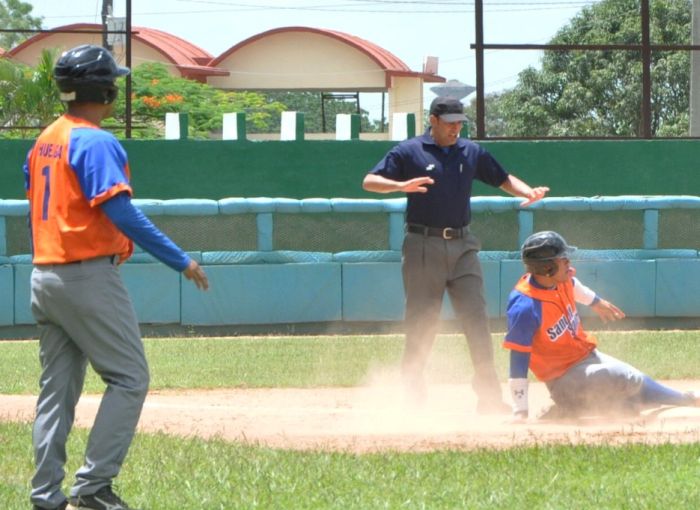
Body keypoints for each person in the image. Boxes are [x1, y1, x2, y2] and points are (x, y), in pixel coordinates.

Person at [25, 45, 209, 510]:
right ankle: (92, 489)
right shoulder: (94, 140)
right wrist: (180, 259)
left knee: (56, 392)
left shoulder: (46, 137)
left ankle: (46, 496)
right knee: (130, 378)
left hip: (45, 278)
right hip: (85, 280)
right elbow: (120, 211)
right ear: (104, 90)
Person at [362, 96, 549, 413]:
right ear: (432, 120)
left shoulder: (470, 151)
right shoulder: (410, 151)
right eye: (449, 123)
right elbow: (369, 181)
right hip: (423, 244)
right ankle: (412, 396)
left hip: (463, 246)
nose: (456, 128)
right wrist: (400, 185)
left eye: (460, 122)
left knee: (477, 321)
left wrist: (528, 191)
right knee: (422, 324)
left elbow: (503, 179)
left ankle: (489, 399)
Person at [504, 230, 699, 420]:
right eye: (563, 259)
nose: (568, 262)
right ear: (547, 268)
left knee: (631, 389)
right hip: (563, 380)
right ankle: (686, 399)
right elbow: (518, 358)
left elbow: (575, 286)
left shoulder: (559, 280)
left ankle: (577, 409)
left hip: (586, 358)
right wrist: (520, 410)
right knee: (625, 377)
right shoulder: (526, 307)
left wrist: (596, 302)